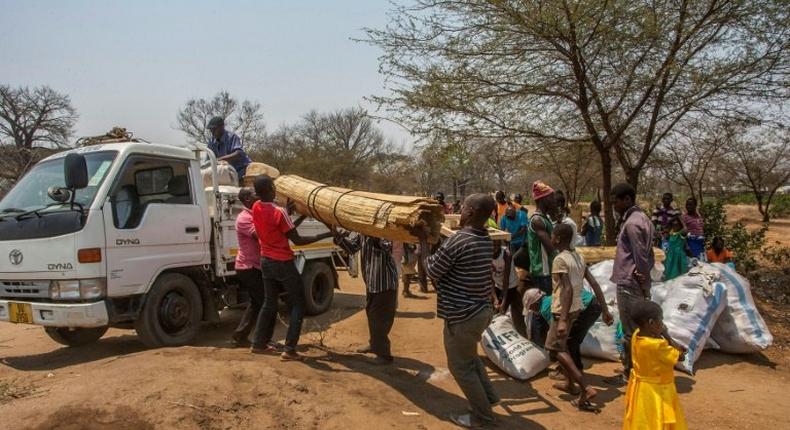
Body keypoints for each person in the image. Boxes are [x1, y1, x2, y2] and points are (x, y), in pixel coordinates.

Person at [424, 194, 499, 428]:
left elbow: (432, 270)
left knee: (460, 367)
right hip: (478, 311)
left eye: (465, 207)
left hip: (462, 316)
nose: (462, 210)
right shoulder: (485, 238)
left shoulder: (461, 239)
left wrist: (423, 244)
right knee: (471, 359)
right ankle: (487, 399)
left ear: (472, 212)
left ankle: (483, 417)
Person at [249, 175, 334, 361]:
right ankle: (289, 349)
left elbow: (281, 229)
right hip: (282, 262)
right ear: (272, 189)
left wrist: (300, 217)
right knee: (298, 303)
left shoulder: (256, 208)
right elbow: (297, 240)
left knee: (269, 303)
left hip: (266, 261)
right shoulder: (280, 212)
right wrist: (327, 233)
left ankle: (258, 344)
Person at [543, 224, 605, 411]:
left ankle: (585, 387)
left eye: (553, 236)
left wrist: (562, 319)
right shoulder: (578, 256)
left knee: (556, 349)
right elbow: (593, 283)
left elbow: (567, 289)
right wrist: (605, 309)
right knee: (566, 346)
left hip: (563, 309)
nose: (551, 239)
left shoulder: (560, 260)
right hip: (576, 308)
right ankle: (570, 385)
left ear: (559, 238)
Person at [610, 183, 655, 382]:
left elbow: (641, 257)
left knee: (630, 331)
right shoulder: (643, 219)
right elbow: (648, 254)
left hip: (629, 282)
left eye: (616, 201)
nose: (614, 206)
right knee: (637, 328)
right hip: (636, 281)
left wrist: (643, 282)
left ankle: (630, 372)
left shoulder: (631, 224)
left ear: (627, 199)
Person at [333, 231, 399, 365]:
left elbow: (386, 246)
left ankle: (384, 355)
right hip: (372, 282)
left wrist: (371, 232)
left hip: (384, 282)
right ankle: (374, 344)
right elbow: (351, 248)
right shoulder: (361, 232)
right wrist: (338, 237)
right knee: (371, 314)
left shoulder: (382, 230)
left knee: (379, 318)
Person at [623, 301, 688, 430]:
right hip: (658, 391)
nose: (663, 324)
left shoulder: (636, 335)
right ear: (652, 323)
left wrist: (659, 333)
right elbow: (680, 357)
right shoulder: (658, 346)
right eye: (661, 320)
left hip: (642, 389)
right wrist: (667, 336)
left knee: (644, 419)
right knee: (658, 420)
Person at [230, 188, 265, 347]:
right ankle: (248, 337)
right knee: (261, 301)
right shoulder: (244, 218)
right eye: (253, 194)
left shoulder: (254, 214)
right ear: (246, 199)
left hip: (254, 265)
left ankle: (241, 335)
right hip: (247, 267)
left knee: (257, 301)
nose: (257, 195)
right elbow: (261, 235)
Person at [526, 181, 558, 347]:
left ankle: (541, 346)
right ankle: (538, 346)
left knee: (546, 309)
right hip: (543, 272)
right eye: (551, 198)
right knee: (542, 310)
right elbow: (551, 248)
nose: (554, 201)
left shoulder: (544, 219)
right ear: (543, 199)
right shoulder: (538, 220)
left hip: (547, 271)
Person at [491, 241, 526, 337]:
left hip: (511, 285)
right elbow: (490, 279)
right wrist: (495, 298)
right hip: (497, 285)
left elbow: (506, 279)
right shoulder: (485, 254)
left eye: (497, 244)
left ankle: (521, 335)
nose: (495, 247)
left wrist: (503, 302)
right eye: (492, 245)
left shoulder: (506, 254)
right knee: (494, 310)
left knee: (508, 310)